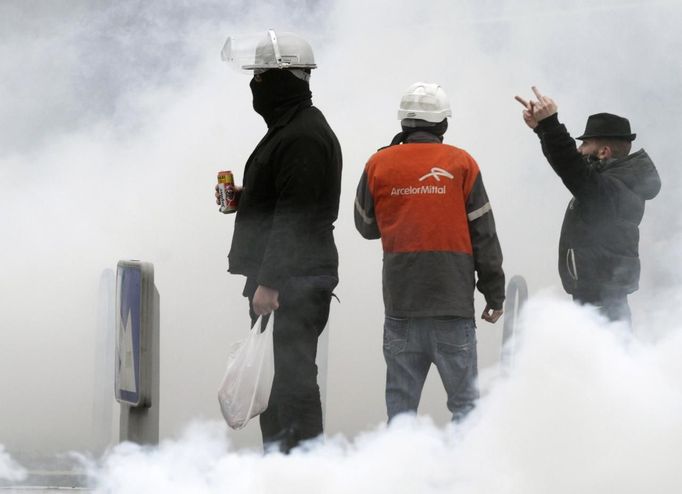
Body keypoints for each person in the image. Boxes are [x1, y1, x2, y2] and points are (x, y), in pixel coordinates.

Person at [219, 30, 342, 452]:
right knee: (276, 381)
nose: (255, 85)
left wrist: (269, 282)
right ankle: (281, 467)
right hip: (288, 275)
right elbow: (286, 198)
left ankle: (303, 471)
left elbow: (297, 216)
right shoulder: (290, 129)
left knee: (291, 381)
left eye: (262, 75)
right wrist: (248, 199)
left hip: (293, 279)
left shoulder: (302, 135)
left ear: (288, 77)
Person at [354, 82, 505, 422]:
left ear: (403, 124)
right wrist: (494, 294)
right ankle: (466, 472)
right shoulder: (462, 163)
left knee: (401, 409)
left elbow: (365, 227)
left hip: (402, 306)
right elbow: (484, 235)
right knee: (465, 407)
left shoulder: (378, 164)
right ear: (443, 125)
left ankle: (402, 471)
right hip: (452, 305)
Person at [515, 86, 661, 324]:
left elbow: (571, 168)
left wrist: (551, 124)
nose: (580, 149)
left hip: (601, 304)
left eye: (585, 144)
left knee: (608, 361)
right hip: (599, 301)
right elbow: (569, 167)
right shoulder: (614, 183)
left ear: (604, 151)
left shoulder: (613, 190)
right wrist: (542, 130)